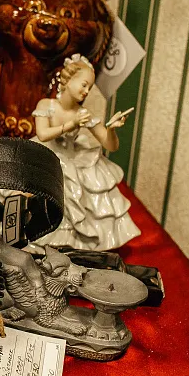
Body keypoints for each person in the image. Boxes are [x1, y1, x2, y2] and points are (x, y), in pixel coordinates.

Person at [31, 55, 140, 251]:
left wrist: (111, 129)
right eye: (84, 84)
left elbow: (110, 145)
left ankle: (73, 243)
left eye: (89, 87)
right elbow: (43, 134)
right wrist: (70, 125)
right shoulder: (46, 105)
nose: (86, 91)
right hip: (46, 157)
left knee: (83, 184)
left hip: (70, 158)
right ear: (68, 80)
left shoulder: (83, 113)